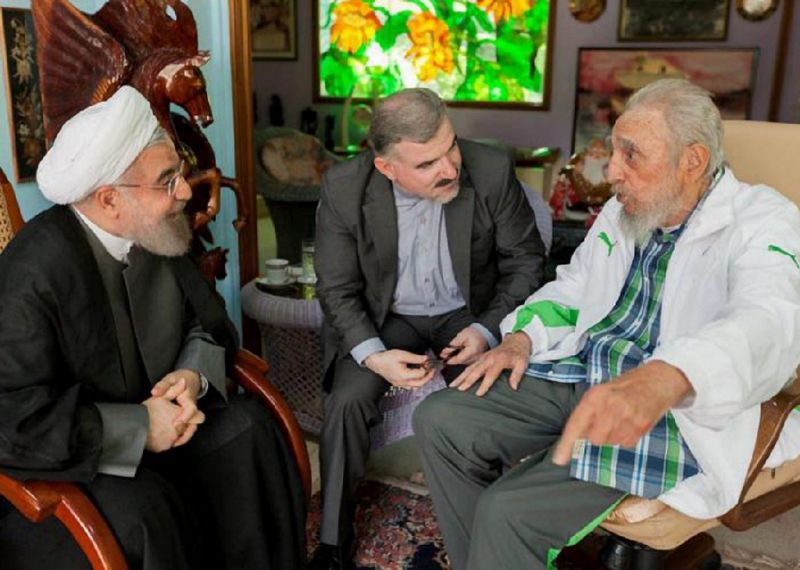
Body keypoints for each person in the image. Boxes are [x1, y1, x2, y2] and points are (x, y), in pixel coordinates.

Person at [413, 78, 800, 570]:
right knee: (442, 419)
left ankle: (500, 548)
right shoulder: (627, 210)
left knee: (506, 510)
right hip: (586, 371)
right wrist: (520, 337)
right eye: (615, 150)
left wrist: (667, 377)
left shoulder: (764, 221)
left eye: (631, 155)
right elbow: (575, 285)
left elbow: (768, 321)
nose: (611, 171)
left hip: (672, 408)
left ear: (693, 161)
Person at [0, 86, 306, 569]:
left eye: (178, 173)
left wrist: (192, 377)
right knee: (145, 509)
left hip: (169, 424)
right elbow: (14, 421)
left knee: (250, 429)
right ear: (109, 200)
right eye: (167, 181)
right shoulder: (31, 275)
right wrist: (139, 429)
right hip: (76, 461)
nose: (184, 192)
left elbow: (208, 324)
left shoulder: (154, 232)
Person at [311, 88, 545, 569]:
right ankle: (334, 539)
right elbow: (336, 289)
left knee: (498, 388)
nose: (449, 169)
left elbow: (526, 263)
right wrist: (374, 355)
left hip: (469, 313)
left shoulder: (493, 168)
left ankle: (492, 528)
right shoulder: (343, 188)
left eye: (450, 148)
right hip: (387, 320)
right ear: (386, 167)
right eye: (427, 164)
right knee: (348, 399)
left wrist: (486, 330)